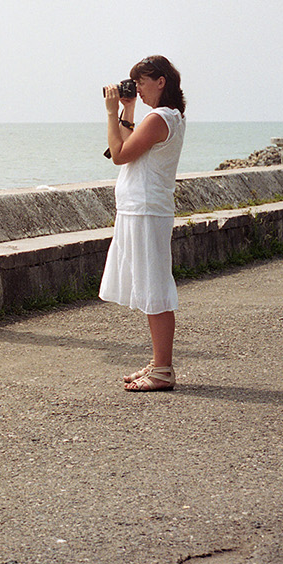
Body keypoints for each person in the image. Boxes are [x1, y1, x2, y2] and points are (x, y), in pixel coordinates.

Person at [98, 55, 187, 392]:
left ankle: (163, 370)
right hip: (143, 209)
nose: (137, 88)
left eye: (141, 83)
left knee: (154, 288)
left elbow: (119, 155)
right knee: (150, 285)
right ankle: (158, 362)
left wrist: (109, 113)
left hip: (147, 211)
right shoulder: (165, 117)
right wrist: (127, 111)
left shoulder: (160, 118)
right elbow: (128, 147)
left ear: (160, 81)